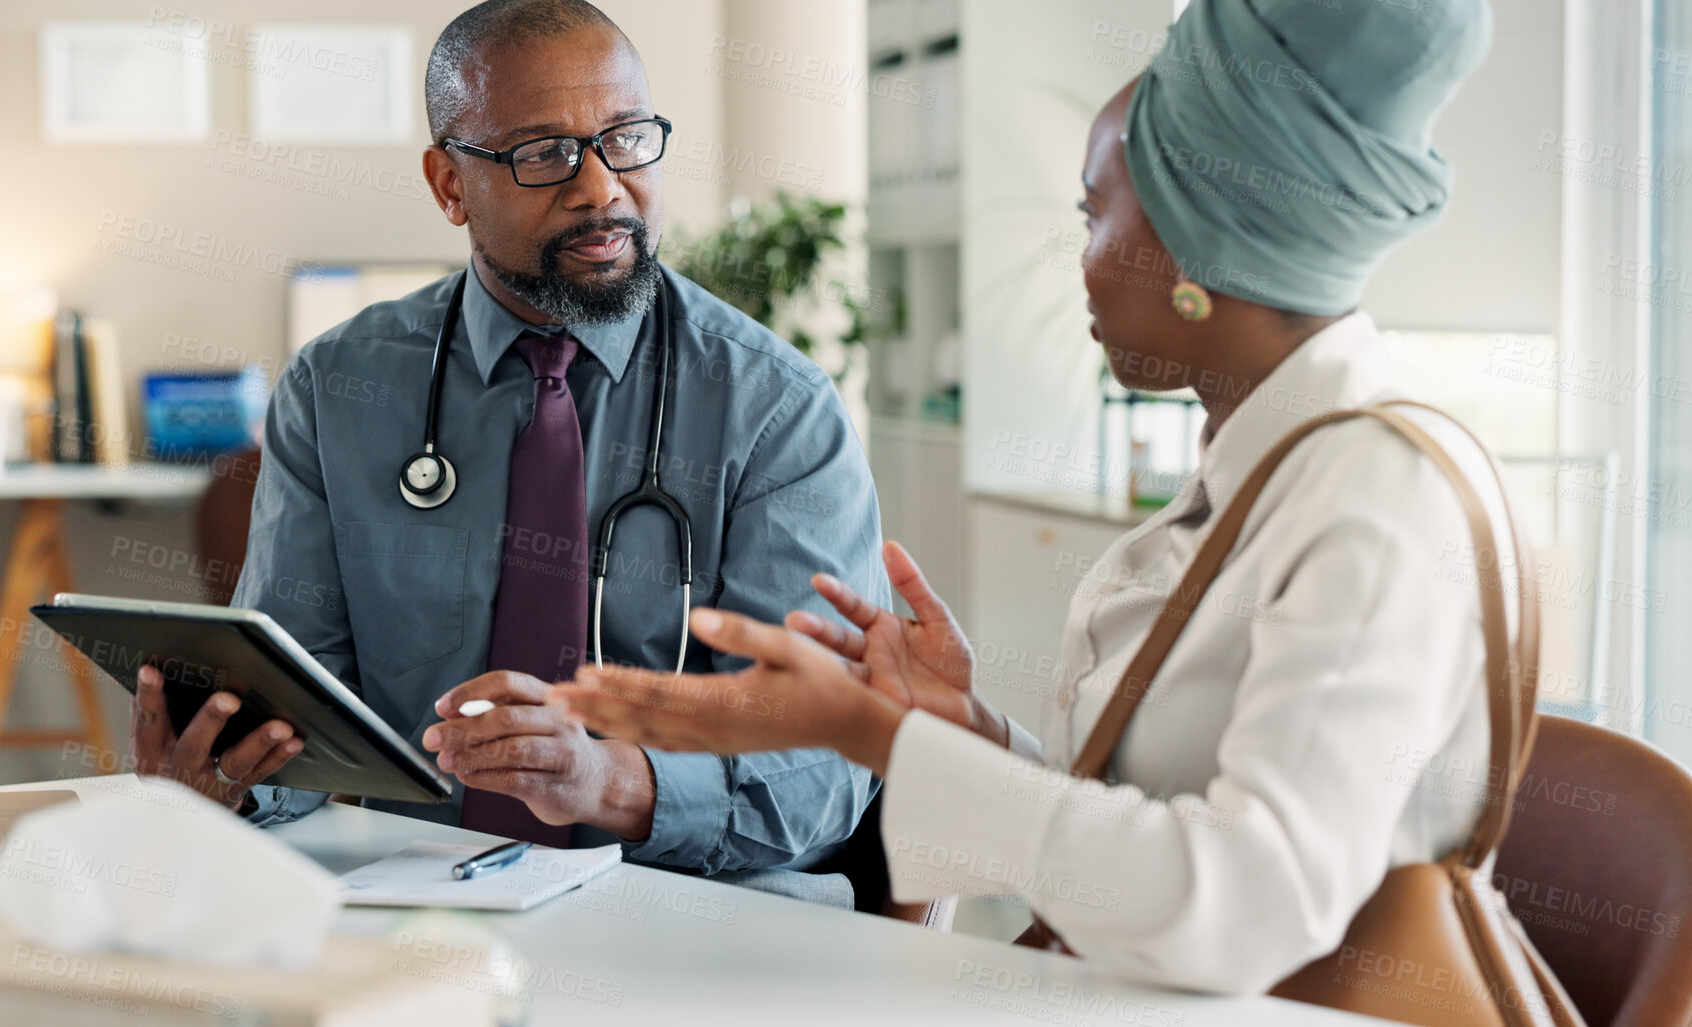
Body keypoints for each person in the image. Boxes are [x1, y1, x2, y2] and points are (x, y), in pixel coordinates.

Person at [554, 0, 1507, 992]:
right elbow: (1144, 833)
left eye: (1096, 216)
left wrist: (872, 736)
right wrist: (961, 730)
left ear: (1195, 243)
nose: (1082, 260)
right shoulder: (1268, 465)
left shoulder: (1374, 494)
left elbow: (1238, 910)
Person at [127, 0, 887, 905]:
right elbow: (301, 714)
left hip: (705, 908)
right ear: (448, 184)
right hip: (423, 901)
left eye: (626, 138)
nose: (601, 186)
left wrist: (608, 780)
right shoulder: (338, 390)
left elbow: (827, 763)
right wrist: (229, 779)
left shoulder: (775, 408)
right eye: (544, 153)